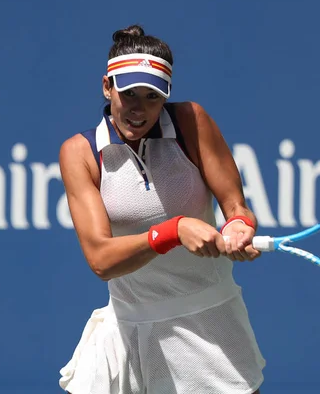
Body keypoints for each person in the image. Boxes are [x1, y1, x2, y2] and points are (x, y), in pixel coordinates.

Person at [58, 24, 266, 394]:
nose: (139, 109)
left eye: (152, 97)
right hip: (126, 337)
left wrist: (237, 225)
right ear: (107, 87)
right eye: (129, 94)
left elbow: (236, 205)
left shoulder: (191, 121)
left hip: (211, 330)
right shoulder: (80, 153)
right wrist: (174, 230)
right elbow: (100, 260)